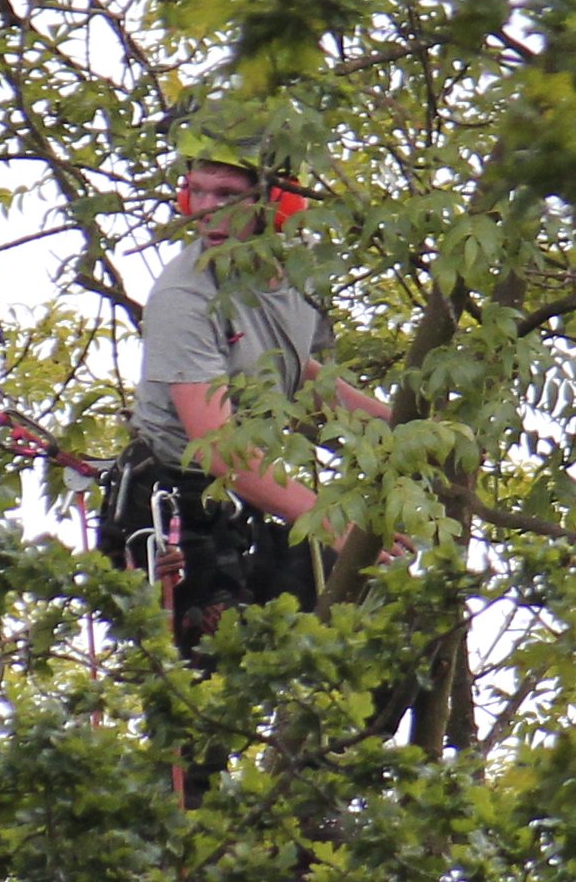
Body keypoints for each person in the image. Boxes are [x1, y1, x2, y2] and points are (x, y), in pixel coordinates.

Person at [100, 107, 402, 662]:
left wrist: (399, 427)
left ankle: (340, 747)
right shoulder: (184, 299)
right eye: (197, 192)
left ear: (275, 201)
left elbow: (295, 374)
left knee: (367, 638)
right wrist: (335, 525)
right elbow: (216, 446)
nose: (205, 210)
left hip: (248, 505)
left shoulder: (292, 275)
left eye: (226, 195)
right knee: (203, 707)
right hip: (180, 517)